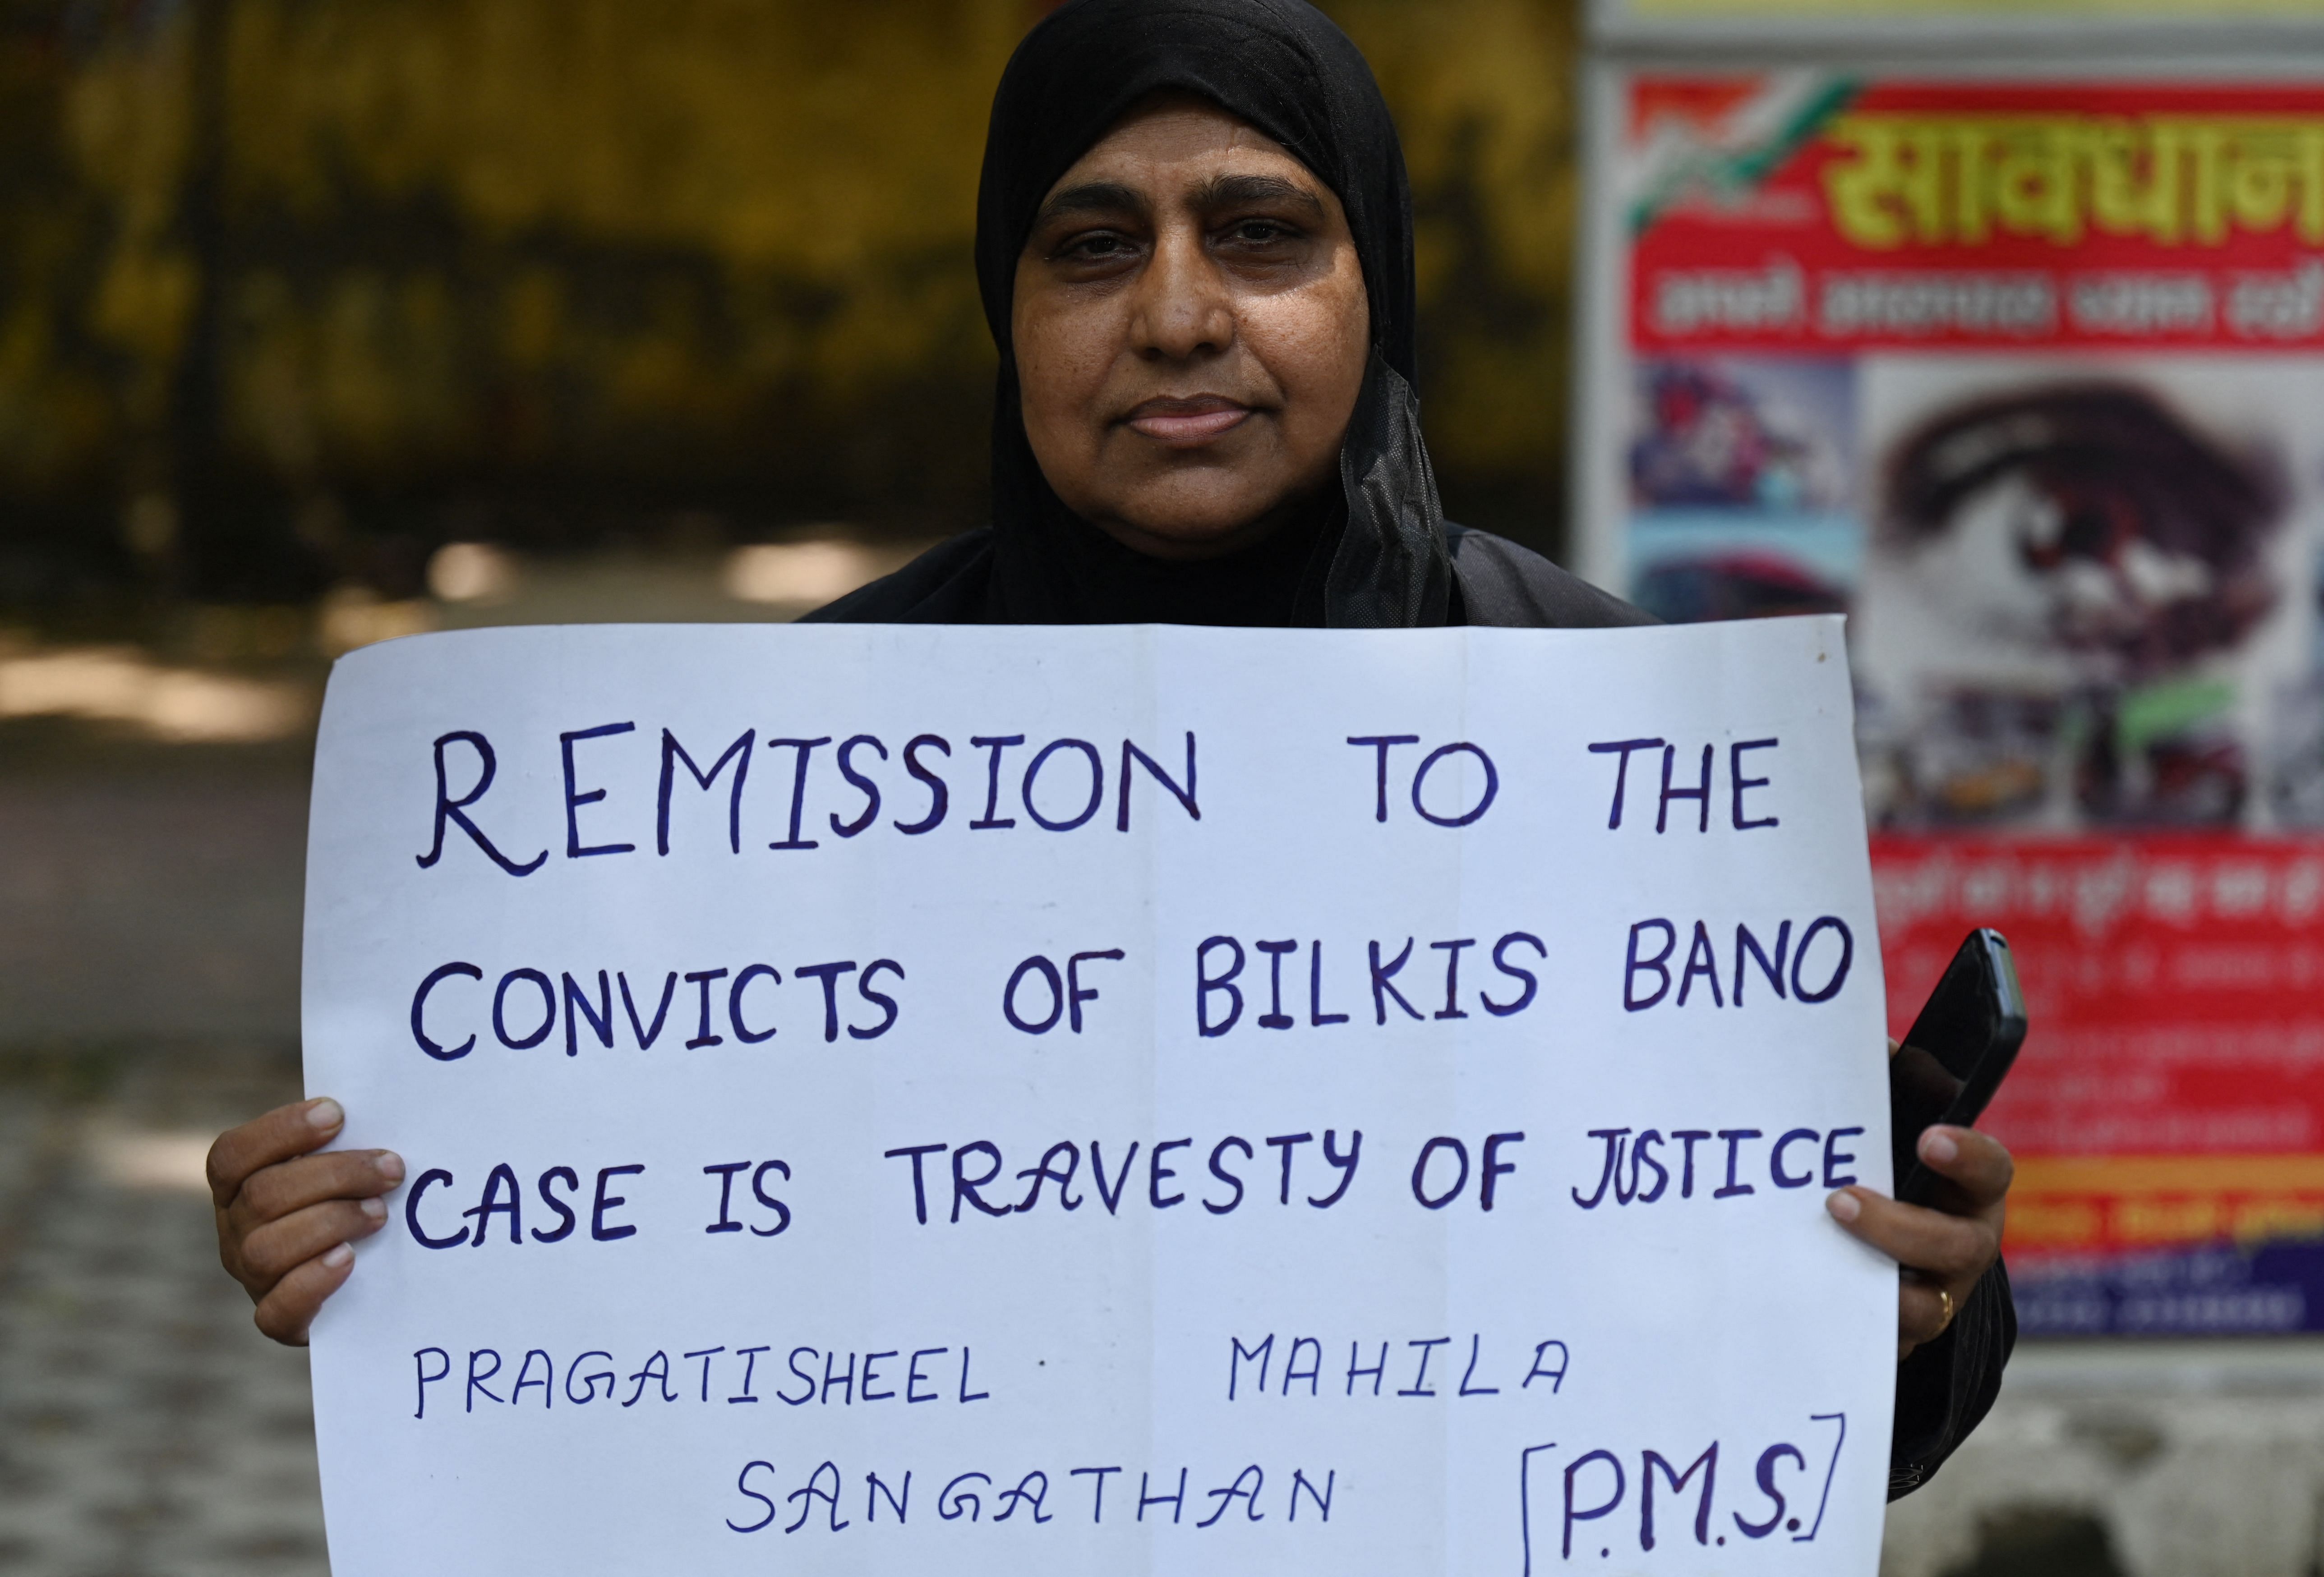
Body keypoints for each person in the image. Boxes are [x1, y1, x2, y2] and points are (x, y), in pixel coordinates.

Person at [205, 0, 2015, 1500]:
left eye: (1259, 232)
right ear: (1007, 308)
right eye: (1092, 246)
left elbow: (1800, 1371)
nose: (1173, 311)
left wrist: (1918, 1307)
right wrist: (370, 1249)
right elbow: (612, 1305)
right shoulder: (776, 776)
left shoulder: (1610, 733)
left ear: (1374, 277)